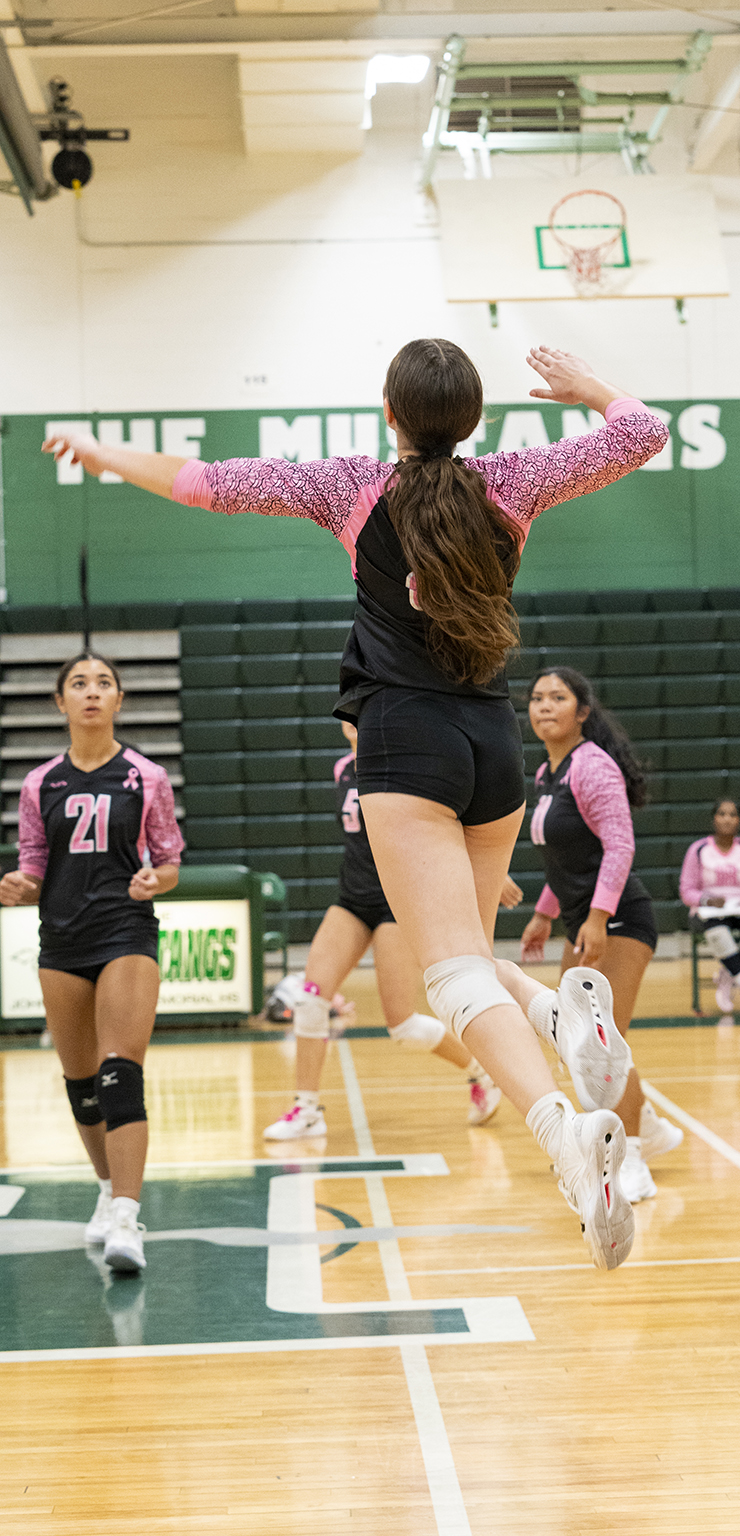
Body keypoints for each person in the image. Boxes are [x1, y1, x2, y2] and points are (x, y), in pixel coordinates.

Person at [44, 340, 670, 1272]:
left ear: (388, 413)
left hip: (403, 738)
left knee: (450, 977)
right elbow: (643, 433)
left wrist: (101, 453)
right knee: (469, 955)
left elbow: (201, 482)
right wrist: (588, 388)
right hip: (490, 740)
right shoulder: (516, 481)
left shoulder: (350, 488)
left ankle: (563, 1131)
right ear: (474, 418)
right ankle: (558, 1018)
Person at [0, 655, 183, 1274]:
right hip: (61, 942)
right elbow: (33, 862)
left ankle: (128, 1218)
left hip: (124, 932)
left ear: (119, 700)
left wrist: (157, 879)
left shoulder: (146, 776)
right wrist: (20, 885)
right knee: (81, 1087)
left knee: (118, 1074)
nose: (91, 692)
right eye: (79, 684)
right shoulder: (39, 784)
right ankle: (106, 1191)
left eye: (104, 683)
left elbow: (169, 859)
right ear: (60, 702)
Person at [263, 721, 501, 1141]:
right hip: (353, 899)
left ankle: (481, 1069)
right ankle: (306, 1111)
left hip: (398, 901)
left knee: (402, 1026)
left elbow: (448, 826)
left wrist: (489, 869)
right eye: (347, 712)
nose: (353, 720)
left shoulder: (406, 766)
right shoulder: (342, 768)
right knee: (310, 998)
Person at [519, 667, 683, 1204]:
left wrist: (596, 917)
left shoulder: (593, 766)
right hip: (583, 922)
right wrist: (545, 915)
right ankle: (649, 1124)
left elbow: (619, 847)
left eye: (557, 697)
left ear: (582, 711)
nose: (544, 706)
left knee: (602, 1046)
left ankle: (632, 1158)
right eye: (537, 698)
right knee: (576, 1042)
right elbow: (566, 859)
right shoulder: (548, 773)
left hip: (620, 921)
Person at [679, 799, 740, 1017]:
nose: (727, 819)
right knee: (718, 933)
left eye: (732, 814)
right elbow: (686, 891)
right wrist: (707, 900)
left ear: (739, 820)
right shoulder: (698, 849)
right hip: (711, 909)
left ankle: (728, 974)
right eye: (722, 814)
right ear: (714, 818)